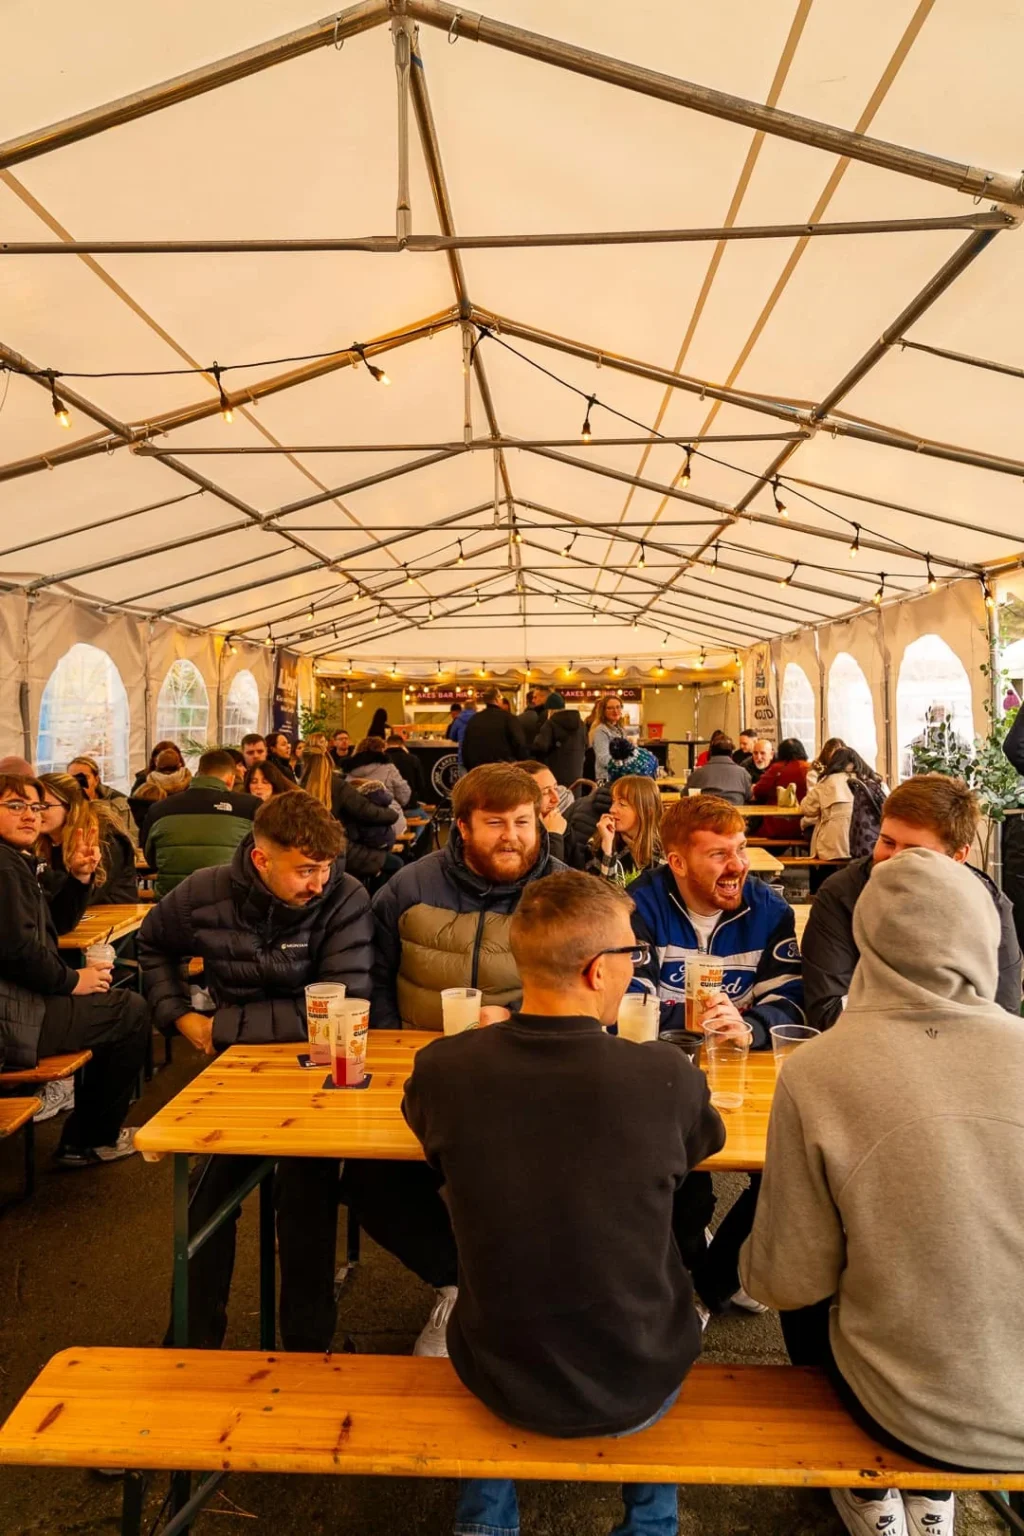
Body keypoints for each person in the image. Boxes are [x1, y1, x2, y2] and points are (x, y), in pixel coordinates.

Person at [403, 871, 726, 1536]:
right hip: (642, 1370)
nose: (634, 969)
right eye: (631, 956)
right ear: (595, 971)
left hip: (498, 1367)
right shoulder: (665, 1076)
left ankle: (485, 1523)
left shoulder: (443, 1070)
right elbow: (699, 1151)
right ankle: (651, 1523)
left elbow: (428, 1138)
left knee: (494, 1296)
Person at [740, 849, 1024, 1536]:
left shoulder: (820, 1072)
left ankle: (878, 1494)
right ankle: (932, 1499)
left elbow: (788, 1281)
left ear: (864, 937)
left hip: (906, 1409)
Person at [139, 790, 373, 1352]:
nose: (319, 882)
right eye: (305, 870)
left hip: (317, 1074)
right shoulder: (204, 891)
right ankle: (192, 1340)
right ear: (262, 859)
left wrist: (219, 1025)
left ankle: (307, 1339)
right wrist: (177, 1017)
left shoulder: (345, 896)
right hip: (235, 1074)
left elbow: (341, 1003)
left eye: (325, 867)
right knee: (204, 1193)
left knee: (306, 1193)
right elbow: (152, 944)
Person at [629, 796, 805, 1316]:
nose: (738, 866)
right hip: (663, 1072)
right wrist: (691, 1026)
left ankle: (708, 1278)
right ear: (677, 862)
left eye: (741, 849)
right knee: (675, 1172)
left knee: (790, 1164)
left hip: (743, 1069)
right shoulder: (639, 905)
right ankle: (705, 1264)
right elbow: (628, 1002)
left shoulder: (769, 909)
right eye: (719, 854)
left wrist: (749, 1026)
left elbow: (790, 999)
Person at [0, 773, 149, 1166]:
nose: (30, 816)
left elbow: (58, 924)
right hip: (12, 1022)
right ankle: (90, 1140)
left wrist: (80, 877)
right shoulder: (4, 867)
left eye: (36, 807)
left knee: (116, 1003)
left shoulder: (18, 861)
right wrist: (73, 981)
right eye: (15, 806)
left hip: (19, 1007)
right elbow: (15, 951)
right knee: (129, 1011)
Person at [802, 774, 1022, 1030]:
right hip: (868, 1062)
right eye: (887, 842)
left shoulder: (991, 907)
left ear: (958, 855)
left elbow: (1001, 1019)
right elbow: (827, 1012)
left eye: (914, 851)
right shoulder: (842, 894)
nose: (894, 859)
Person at [371, 764, 565, 1031]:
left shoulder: (566, 893)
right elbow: (376, 978)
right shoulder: (409, 886)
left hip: (525, 1055)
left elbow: (581, 992)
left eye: (522, 822)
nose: (510, 835)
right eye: (495, 822)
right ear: (464, 827)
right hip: (421, 1054)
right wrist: (394, 1040)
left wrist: (518, 1020)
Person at [142, 748, 261, 897]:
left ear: (197, 775)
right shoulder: (250, 807)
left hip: (171, 904)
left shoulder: (159, 809)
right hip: (230, 903)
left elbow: (151, 859)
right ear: (231, 779)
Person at [301, 747, 399, 885]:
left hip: (316, 851)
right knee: (396, 864)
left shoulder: (298, 789)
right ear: (329, 763)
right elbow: (368, 811)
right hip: (342, 850)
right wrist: (393, 815)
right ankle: (377, 903)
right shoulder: (338, 786)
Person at [38, 772, 138, 906]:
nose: (35, 813)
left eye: (44, 806)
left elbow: (90, 896)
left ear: (70, 807)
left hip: (114, 920)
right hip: (69, 920)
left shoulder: (105, 838)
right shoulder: (38, 843)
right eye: (33, 806)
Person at [799, 747, 886, 861]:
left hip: (834, 847)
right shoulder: (872, 780)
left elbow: (807, 809)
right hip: (867, 844)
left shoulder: (827, 781)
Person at [589, 775, 666, 886]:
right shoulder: (597, 843)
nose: (612, 809)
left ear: (647, 812)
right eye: (613, 801)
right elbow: (602, 896)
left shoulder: (664, 849)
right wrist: (607, 851)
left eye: (622, 804)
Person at [750, 736, 809, 842]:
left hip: (777, 825)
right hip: (804, 826)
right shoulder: (809, 768)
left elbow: (759, 791)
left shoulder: (777, 768)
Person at [345, 735, 412, 828]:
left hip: (358, 824)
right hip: (389, 822)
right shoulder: (388, 768)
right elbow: (404, 795)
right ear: (381, 750)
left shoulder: (348, 771)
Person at [67, 755, 134, 841]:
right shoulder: (62, 803)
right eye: (72, 778)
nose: (78, 782)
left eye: (84, 777)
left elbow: (131, 837)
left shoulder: (116, 802)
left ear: (96, 780)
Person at [460, 687, 527, 770]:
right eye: (501, 698)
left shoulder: (474, 719)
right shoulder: (509, 718)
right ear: (497, 699)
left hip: (479, 771)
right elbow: (520, 744)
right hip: (504, 771)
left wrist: (471, 768)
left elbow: (465, 747)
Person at [685, 736, 753, 805]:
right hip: (734, 814)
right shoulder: (743, 773)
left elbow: (685, 794)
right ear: (731, 753)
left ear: (711, 752)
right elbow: (749, 796)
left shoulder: (697, 774)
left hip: (707, 814)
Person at [532, 704, 586, 788]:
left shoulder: (551, 723)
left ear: (551, 710)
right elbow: (587, 744)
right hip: (576, 773)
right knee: (573, 798)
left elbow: (541, 745)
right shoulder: (581, 724)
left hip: (555, 771)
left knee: (557, 797)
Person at [590, 695, 626, 782]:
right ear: (603, 711)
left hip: (619, 777)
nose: (615, 711)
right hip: (606, 778)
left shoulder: (621, 730)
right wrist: (624, 764)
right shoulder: (601, 730)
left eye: (618, 707)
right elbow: (603, 758)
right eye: (610, 708)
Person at [386, 730, 428, 805]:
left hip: (387, 804)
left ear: (387, 744)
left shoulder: (381, 760)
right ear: (402, 745)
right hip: (409, 804)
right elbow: (421, 784)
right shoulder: (413, 759)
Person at [518, 684, 565, 750]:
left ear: (544, 697)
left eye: (535, 697)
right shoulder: (541, 713)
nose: (532, 701)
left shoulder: (546, 715)